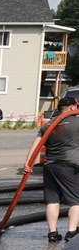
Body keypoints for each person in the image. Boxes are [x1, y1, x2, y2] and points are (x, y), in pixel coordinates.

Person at [40, 95, 79, 242]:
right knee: (76, 200)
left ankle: (52, 233)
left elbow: (36, 144)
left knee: (52, 200)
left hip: (49, 166)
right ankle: (71, 232)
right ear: (71, 108)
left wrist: (27, 164)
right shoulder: (77, 122)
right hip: (69, 166)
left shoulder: (48, 125)